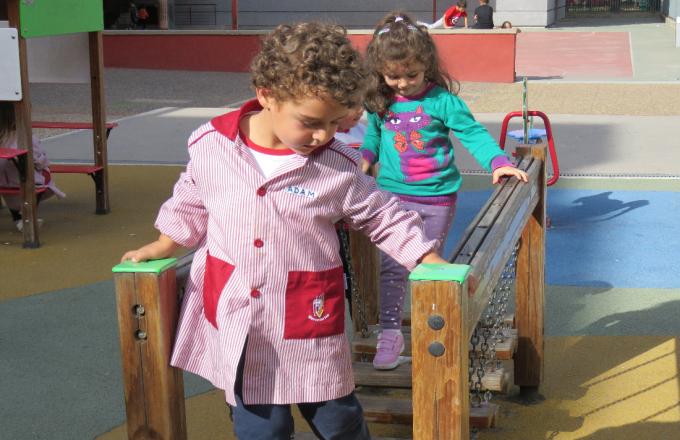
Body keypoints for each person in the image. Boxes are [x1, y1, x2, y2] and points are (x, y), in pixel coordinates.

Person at [121, 22, 447, 439]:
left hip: (308, 317)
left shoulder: (336, 166)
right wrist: (166, 242)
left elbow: (382, 215)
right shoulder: (212, 145)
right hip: (242, 317)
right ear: (267, 95)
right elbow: (192, 196)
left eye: (335, 123)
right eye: (310, 121)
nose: (323, 135)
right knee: (263, 426)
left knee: (337, 418)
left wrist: (425, 257)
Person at [360, 12, 529, 370]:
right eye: (393, 76)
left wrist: (498, 162)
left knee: (429, 265)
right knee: (392, 267)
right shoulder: (381, 102)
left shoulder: (442, 102)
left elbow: (472, 134)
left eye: (411, 75)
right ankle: (390, 333)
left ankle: (434, 329)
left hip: (436, 196)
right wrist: (364, 158)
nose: (403, 83)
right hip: (393, 196)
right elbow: (373, 136)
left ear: (427, 65)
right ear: (380, 72)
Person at [0, 102, 65, 232]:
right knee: (39, 176)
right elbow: (40, 161)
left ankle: (17, 216)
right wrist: (45, 162)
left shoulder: (2, 137)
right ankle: (27, 216)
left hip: (4, 185)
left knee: (12, 175)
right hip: (27, 185)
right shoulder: (26, 137)